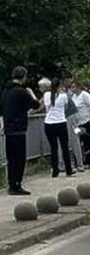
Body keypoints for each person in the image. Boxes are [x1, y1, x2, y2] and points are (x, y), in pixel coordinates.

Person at [0, 66, 42, 195]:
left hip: (8, 128)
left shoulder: (5, 91)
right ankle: (17, 184)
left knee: (11, 157)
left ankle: (11, 183)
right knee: (19, 158)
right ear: (23, 77)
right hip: (19, 128)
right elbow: (36, 104)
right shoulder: (22, 92)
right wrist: (30, 93)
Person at [43, 78, 73, 178]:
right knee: (65, 147)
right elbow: (65, 107)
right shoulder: (63, 96)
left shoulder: (47, 95)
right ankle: (68, 169)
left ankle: (55, 170)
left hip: (49, 122)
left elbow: (46, 106)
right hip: (60, 122)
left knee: (53, 148)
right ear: (59, 86)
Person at [71, 80, 90, 167]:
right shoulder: (73, 96)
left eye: (74, 87)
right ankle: (78, 161)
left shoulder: (85, 95)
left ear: (78, 87)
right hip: (76, 123)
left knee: (86, 142)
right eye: (71, 87)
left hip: (85, 121)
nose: (72, 89)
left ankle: (87, 161)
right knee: (77, 142)